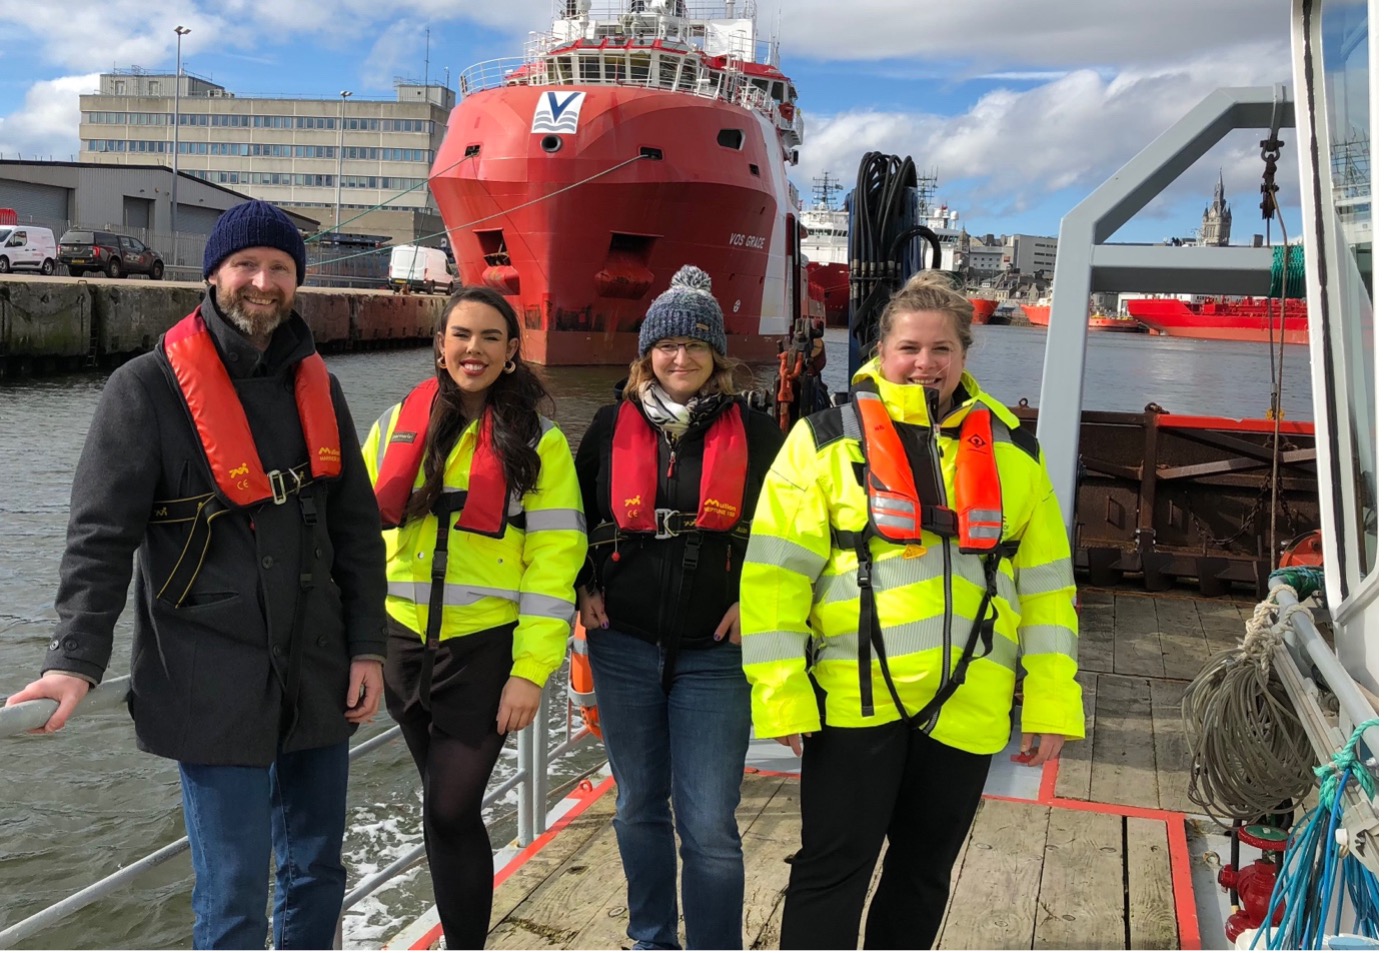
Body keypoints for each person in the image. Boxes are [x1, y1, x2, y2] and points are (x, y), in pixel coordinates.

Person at [3, 200, 389, 950]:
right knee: (234, 896)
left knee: (317, 871)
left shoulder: (322, 387)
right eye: (246, 265)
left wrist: (367, 646)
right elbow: (100, 537)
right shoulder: (143, 390)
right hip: (211, 676)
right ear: (213, 274)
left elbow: (356, 532)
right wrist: (74, 659)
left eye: (280, 268)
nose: (262, 282)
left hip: (318, 670)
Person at [740, 270, 1085, 950]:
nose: (924, 364)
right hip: (854, 701)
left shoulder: (1017, 455)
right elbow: (773, 580)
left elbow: (1047, 592)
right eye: (909, 348)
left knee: (923, 873)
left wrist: (1050, 702)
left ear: (963, 355)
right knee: (831, 869)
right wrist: (781, 695)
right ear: (881, 350)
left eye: (941, 349)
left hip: (967, 706)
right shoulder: (822, 440)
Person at [363, 286, 585, 950]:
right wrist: (360, 642)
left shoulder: (540, 447)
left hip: (483, 656)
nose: (474, 349)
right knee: (442, 808)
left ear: (513, 353)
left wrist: (531, 670)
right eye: (461, 334)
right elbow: (356, 536)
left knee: (451, 804)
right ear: (440, 344)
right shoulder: (393, 423)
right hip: (400, 646)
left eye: (491, 337)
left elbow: (554, 565)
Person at [573, 265, 785, 950]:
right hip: (623, 645)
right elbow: (566, 522)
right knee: (636, 804)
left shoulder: (760, 434)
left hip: (716, 656)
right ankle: (651, 938)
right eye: (667, 345)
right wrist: (582, 586)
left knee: (709, 823)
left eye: (697, 346)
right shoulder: (607, 428)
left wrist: (758, 602)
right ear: (647, 354)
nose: (681, 358)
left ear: (717, 356)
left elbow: (791, 536)